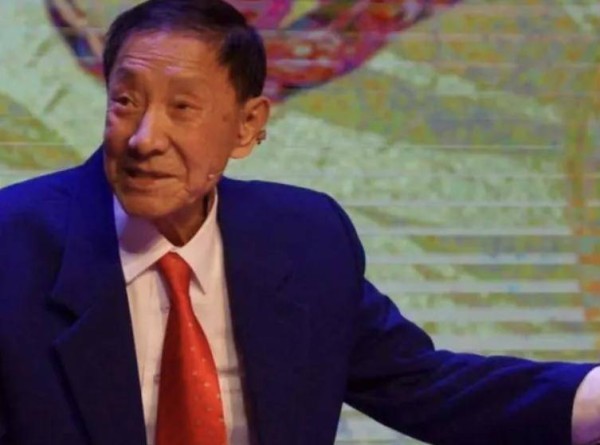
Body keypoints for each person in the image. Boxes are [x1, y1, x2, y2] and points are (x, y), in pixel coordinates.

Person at [0, 1, 599, 444]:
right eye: (126, 102)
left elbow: (420, 385)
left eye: (182, 107)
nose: (145, 139)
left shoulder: (303, 239)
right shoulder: (14, 246)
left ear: (247, 126)